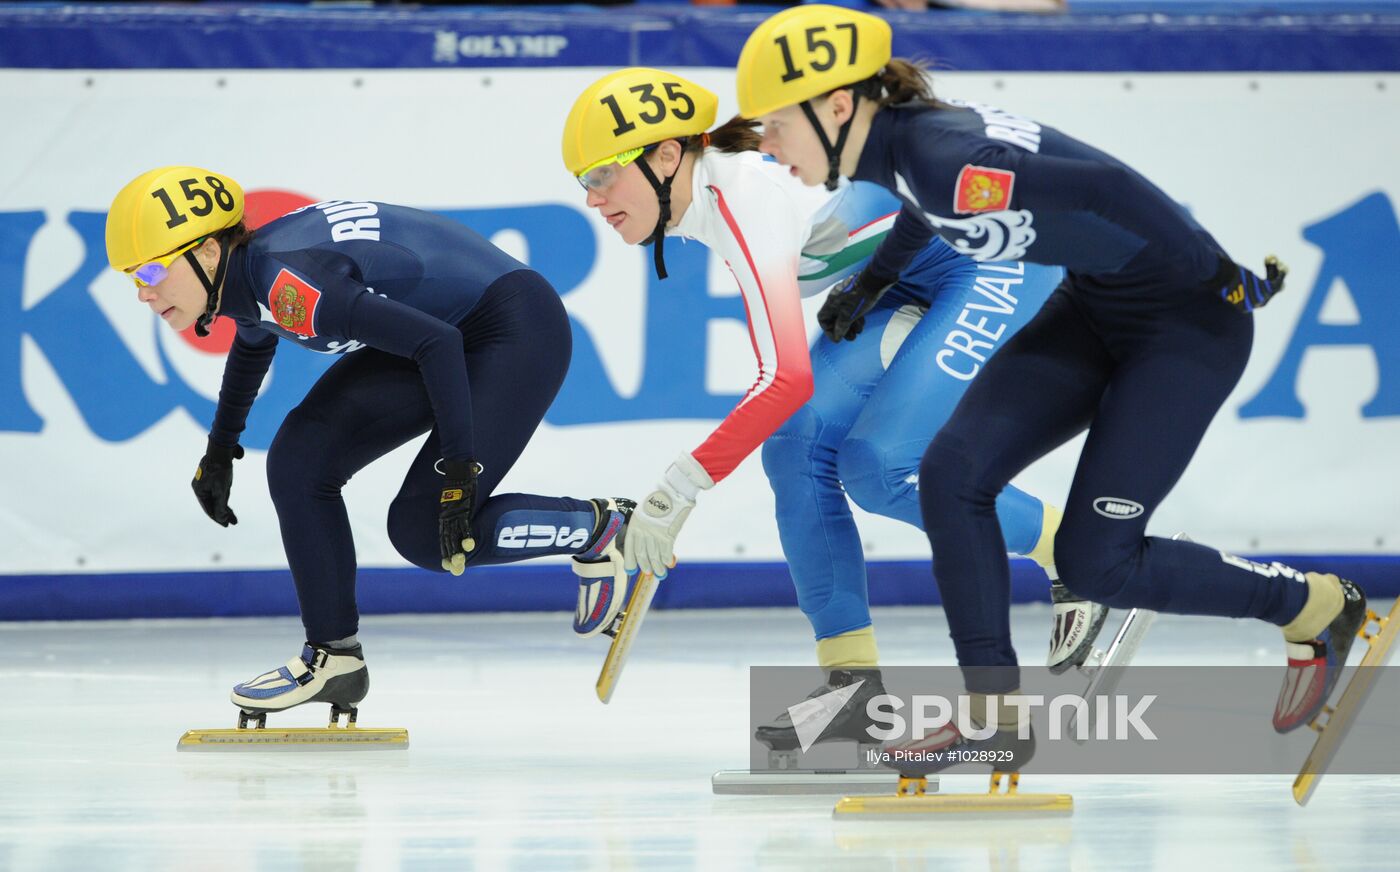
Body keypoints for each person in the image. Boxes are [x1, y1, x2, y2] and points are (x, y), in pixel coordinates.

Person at [734, 4, 1367, 774]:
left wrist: (1214, 271)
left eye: (775, 125)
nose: (766, 145)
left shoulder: (942, 154)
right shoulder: (905, 150)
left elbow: (1104, 188)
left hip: (1185, 331)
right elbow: (932, 210)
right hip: (1093, 307)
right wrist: (871, 284)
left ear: (838, 108)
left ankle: (1316, 607)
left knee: (1100, 564)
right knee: (950, 475)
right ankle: (995, 717)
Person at [561, 69, 1099, 754]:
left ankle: (1081, 552)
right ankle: (852, 685)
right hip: (906, 277)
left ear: (667, 156)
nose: (592, 197)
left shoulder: (745, 197)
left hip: (1001, 263)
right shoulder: (713, 199)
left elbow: (782, 377)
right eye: (582, 181)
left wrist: (679, 488)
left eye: (603, 174)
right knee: (794, 447)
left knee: (882, 466)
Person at [105, 167, 636, 724]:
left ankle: (603, 527)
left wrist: (459, 472)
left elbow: (438, 343)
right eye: (132, 277)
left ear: (209, 252)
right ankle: (333, 657)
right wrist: (220, 451)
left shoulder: (291, 283)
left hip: (514, 327)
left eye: (151, 270)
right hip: (441, 331)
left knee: (427, 532)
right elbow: (253, 342)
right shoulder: (246, 278)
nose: (143, 291)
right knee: (299, 460)